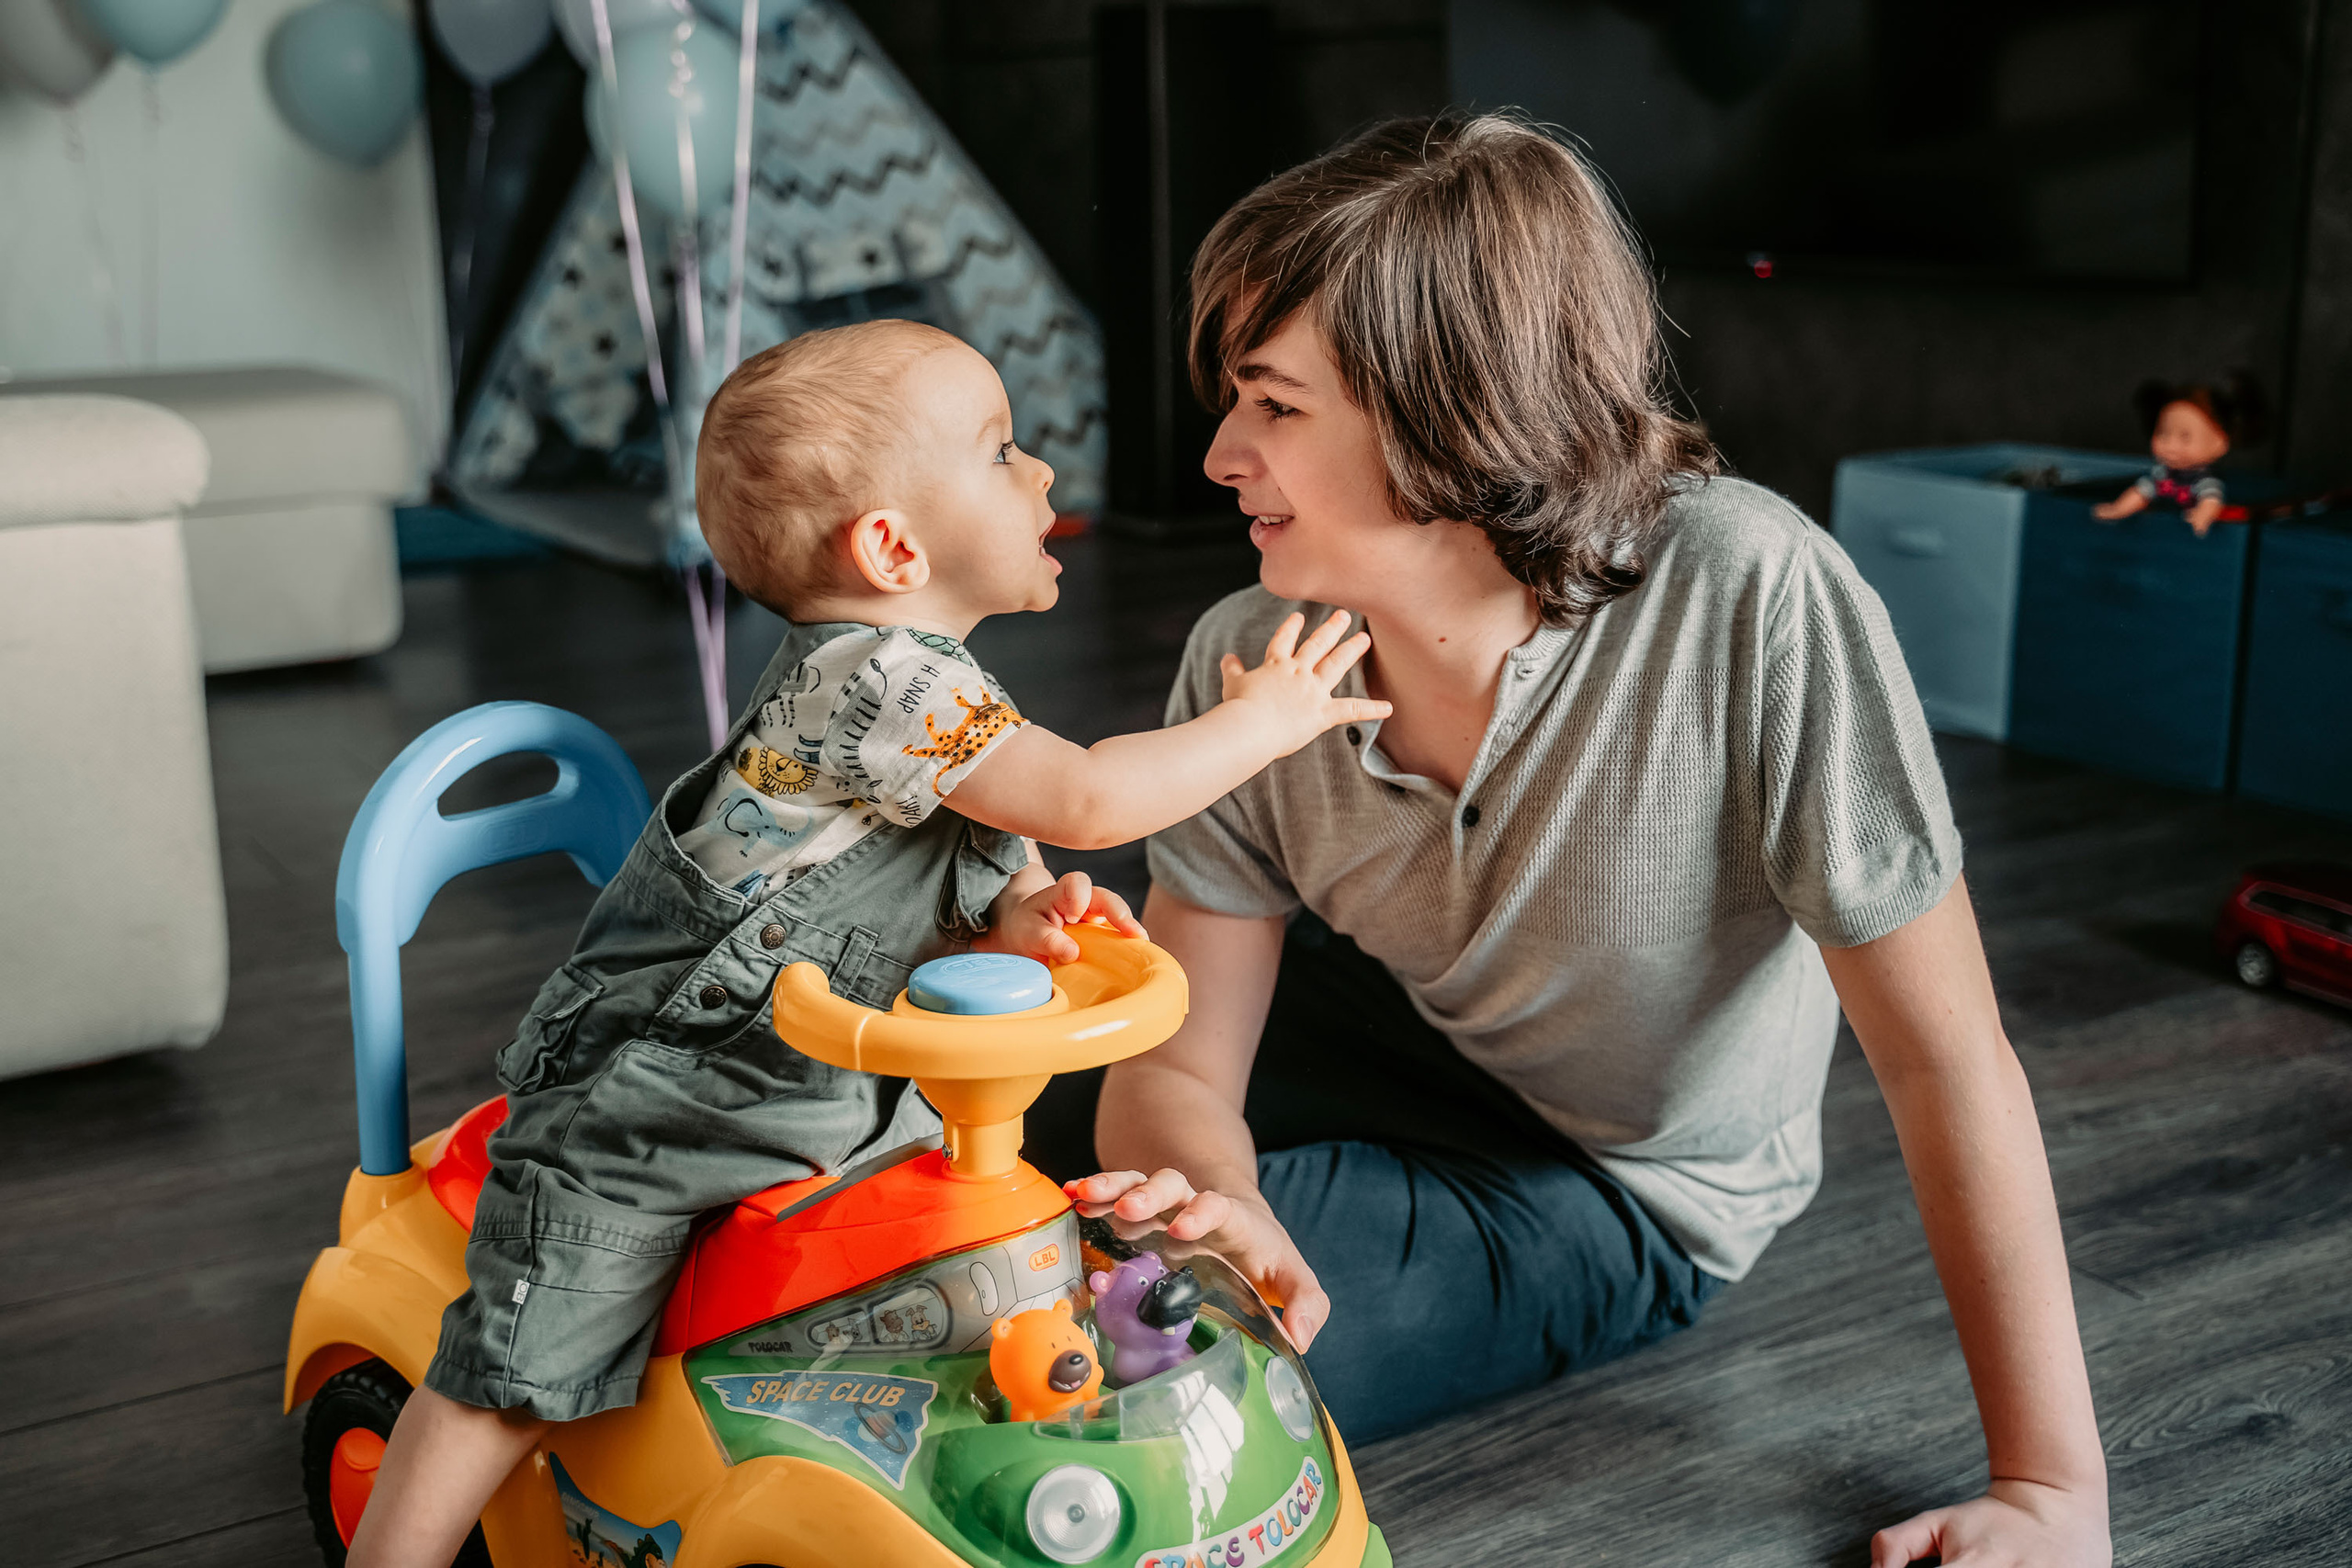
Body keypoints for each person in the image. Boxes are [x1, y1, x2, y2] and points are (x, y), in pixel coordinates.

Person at [1053, 114, 2111, 1568]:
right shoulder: (1253, 652)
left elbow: (1948, 1060)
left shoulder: (1749, 591)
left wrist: (2052, 1487)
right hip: (1416, 1021)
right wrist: (1213, 1199)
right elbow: (1177, 1066)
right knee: (1004, 1144)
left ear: (1449, 410)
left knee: (1152, 1365)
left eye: (1275, 405)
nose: (1223, 452)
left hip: (1624, 1184)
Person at [346, 318, 1389, 1567]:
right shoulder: (875, 683)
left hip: (843, 1097)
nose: (1043, 472)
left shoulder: (945, 697)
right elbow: (1091, 798)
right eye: (1001, 451)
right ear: (894, 549)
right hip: (653, 1117)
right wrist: (1263, 721)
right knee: (520, 1368)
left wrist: (1021, 915)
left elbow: (975, 856)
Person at [2092, 376, 2263, 537]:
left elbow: (2211, 499)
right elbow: (2141, 492)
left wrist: (2202, 515)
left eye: (2185, 437)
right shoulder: (2161, 475)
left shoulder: (2203, 480)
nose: (2171, 446)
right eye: (2163, 433)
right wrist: (2119, 509)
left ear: (2219, 443)